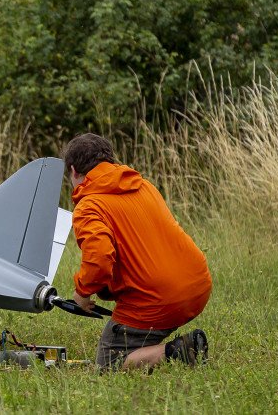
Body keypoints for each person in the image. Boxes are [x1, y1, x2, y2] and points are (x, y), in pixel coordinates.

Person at [63, 133, 212, 370]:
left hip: (158, 298)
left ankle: (181, 350)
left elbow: (100, 258)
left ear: (73, 171)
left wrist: (83, 292)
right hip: (198, 284)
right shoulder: (144, 186)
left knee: (108, 364)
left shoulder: (88, 206)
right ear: (110, 160)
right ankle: (155, 344)